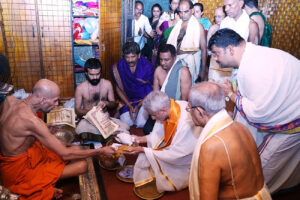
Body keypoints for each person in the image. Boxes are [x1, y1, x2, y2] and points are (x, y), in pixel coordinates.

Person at [208, 28, 300, 193]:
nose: (215, 59)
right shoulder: (251, 55)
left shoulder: (253, 67)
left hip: (293, 119)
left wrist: (230, 93)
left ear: (230, 49)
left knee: (260, 169)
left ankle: (256, 194)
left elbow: (259, 112)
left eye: (216, 54)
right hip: (288, 107)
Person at [0, 79, 115, 200]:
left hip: (20, 154)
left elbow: (12, 128)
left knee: (73, 147)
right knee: (82, 165)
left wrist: (42, 129)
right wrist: (100, 151)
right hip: (18, 172)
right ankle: (43, 186)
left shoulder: (9, 100)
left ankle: (48, 181)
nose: (56, 104)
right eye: (55, 101)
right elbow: (65, 155)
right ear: (43, 100)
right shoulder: (32, 122)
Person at [188, 82, 271, 200]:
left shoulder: (211, 146)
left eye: (189, 108)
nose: (189, 112)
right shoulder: (241, 128)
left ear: (200, 112)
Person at [130, 91, 201, 194]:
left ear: (162, 110)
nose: (153, 118)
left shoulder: (186, 123)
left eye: (153, 115)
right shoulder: (171, 106)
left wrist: (144, 150)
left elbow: (176, 154)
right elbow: (159, 135)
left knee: (159, 164)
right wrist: (141, 139)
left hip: (185, 159)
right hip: (175, 147)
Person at [111, 41, 154, 127]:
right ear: (124, 56)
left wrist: (138, 106)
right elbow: (118, 88)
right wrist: (128, 105)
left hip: (144, 100)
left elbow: (152, 88)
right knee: (127, 123)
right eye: (127, 57)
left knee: (141, 123)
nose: (130, 60)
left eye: (133, 57)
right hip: (127, 100)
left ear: (138, 55)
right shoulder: (118, 67)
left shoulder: (147, 66)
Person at [167, 0, 207, 82]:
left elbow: (204, 49)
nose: (183, 15)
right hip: (176, 61)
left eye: (186, 12)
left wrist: (203, 70)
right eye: (180, 12)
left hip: (190, 63)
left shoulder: (198, 27)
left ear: (192, 11)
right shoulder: (177, 25)